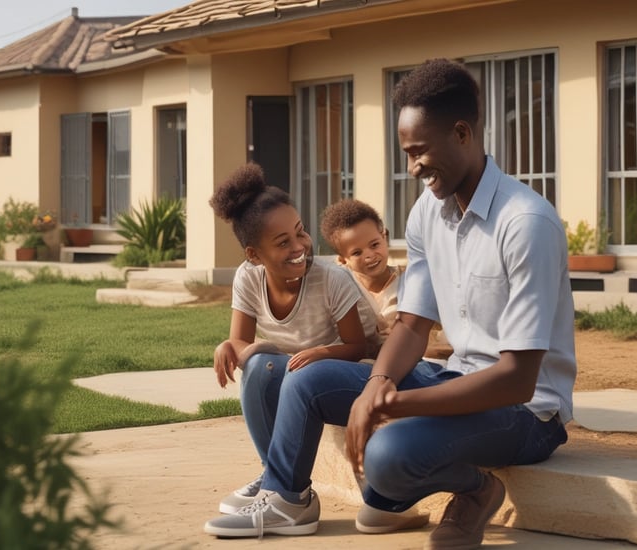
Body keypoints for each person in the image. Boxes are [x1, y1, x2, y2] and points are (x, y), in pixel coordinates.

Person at [204, 58, 576, 550]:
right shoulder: (427, 213)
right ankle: (286, 498)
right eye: (406, 152)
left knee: (386, 454)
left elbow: (516, 379)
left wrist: (391, 403)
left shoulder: (525, 223)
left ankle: (475, 490)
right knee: (305, 378)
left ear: (462, 133)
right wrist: (377, 383)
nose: (412, 167)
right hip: (455, 378)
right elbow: (411, 325)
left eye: (420, 151)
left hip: (526, 414)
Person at [208, 163, 377, 515]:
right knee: (259, 367)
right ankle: (278, 478)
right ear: (254, 255)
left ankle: (282, 487)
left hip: (344, 372)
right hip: (297, 371)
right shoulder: (248, 278)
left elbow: (358, 347)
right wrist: (229, 346)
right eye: (283, 242)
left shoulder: (331, 279)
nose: (300, 246)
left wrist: (317, 353)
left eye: (300, 232)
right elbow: (242, 346)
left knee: (268, 364)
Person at [320, 198, 452, 360]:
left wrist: (406, 336)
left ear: (385, 237)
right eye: (357, 253)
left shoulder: (414, 280)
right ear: (342, 260)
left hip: (412, 366)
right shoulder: (340, 290)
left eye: (374, 245)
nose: (369, 255)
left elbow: (445, 334)